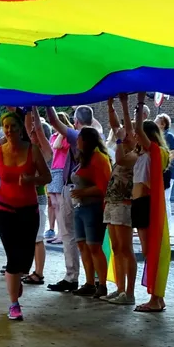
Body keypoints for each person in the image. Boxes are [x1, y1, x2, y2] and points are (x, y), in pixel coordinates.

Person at [0, 111, 51, 321]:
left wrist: (31, 180)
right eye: (6, 126)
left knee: (25, 260)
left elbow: (47, 176)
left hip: (29, 210)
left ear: (21, 129)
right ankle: (14, 304)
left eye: (13, 126)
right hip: (4, 210)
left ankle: (17, 279)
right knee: (13, 257)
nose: (10, 130)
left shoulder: (33, 150)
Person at [45, 105, 97, 292]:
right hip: (86, 191)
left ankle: (72, 276)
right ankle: (94, 279)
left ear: (76, 121)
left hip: (74, 188)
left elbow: (53, 122)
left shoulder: (77, 136)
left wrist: (46, 102)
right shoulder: (95, 134)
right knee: (88, 238)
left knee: (69, 233)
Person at [132, 94, 171, 313]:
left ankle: (156, 298)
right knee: (149, 250)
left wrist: (138, 103)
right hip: (140, 203)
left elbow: (136, 130)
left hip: (146, 203)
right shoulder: (146, 153)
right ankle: (157, 297)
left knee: (151, 250)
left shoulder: (155, 152)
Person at [70, 127, 112, 297]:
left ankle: (101, 283)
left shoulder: (99, 159)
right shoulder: (84, 158)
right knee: (82, 245)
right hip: (80, 207)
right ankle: (89, 283)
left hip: (93, 208)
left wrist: (83, 192)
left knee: (94, 246)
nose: (77, 140)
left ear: (87, 140)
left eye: (79, 137)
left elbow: (104, 186)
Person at [104, 95, 137, 305]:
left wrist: (119, 139)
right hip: (112, 202)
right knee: (116, 247)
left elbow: (120, 159)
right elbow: (116, 124)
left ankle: (130, 292)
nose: (125, 136)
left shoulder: (135, 154)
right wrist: (111, 105)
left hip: (124, 203)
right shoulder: (125, 144)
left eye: (129, 134)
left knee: (126, 248)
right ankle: (120, 288)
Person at [22, 106, 54, 286]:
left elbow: (39, 130)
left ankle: (39, 273)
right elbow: (29, 128)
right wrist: (27, 110)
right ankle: (30, 269)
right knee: (30, 238)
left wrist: (34, 108)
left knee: (38, 238)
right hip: (28, 198)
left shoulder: (45, 151)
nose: (31, 133)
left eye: (34, 132)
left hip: (39, 199)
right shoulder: (32, 149)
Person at [47, 112, 73, 245]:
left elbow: (57, 146)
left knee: (60, 204)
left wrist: (63, 132)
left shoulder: (66, 137)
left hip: (61, 169)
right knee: (54, 203)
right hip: (54, 169)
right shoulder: (53, 136)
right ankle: (59, 233)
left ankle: (63, 234)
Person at [155, 113, 174, 217]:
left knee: (165, 198)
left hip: (168, 173)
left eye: (156, 121)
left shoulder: (169, 136)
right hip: (163, 173)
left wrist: (163, 163)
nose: (154, 123)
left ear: (163, 124)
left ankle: (167, 224)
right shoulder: (159, 137)